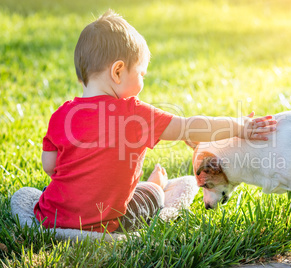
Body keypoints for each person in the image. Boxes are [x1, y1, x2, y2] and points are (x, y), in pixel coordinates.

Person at [32, 10, 277, 233]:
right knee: (150, 197)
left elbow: (50, 166)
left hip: (52, 218)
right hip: (110, 222)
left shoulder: (61, 115)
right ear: (118, 72)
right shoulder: (135, 114)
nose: (143, 83)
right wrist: (240, 127)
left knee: (43, 193)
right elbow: (191, 124)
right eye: (141, 74)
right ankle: (155, 187)